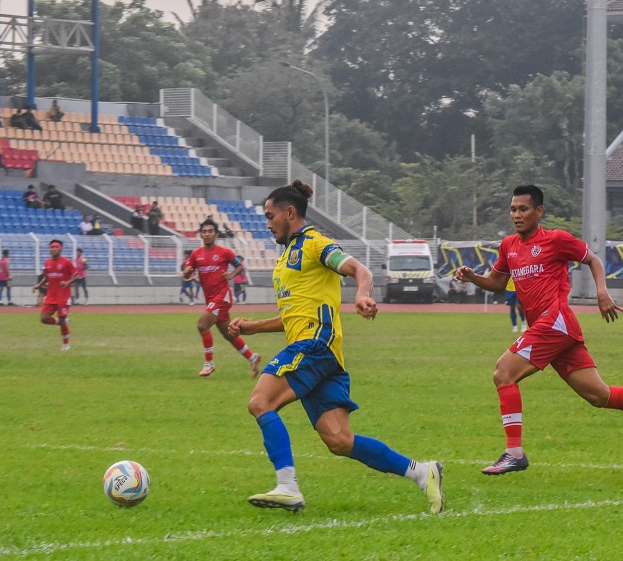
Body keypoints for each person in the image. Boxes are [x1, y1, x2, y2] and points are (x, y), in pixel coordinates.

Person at [227, 180, 444, 514]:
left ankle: (287, 486)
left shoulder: (316, 244)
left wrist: (361, 294)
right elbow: (294, 314)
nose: (267, 223)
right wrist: (253, 326)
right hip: (321, 354)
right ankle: (422, 472)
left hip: (315, 345)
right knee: (340, 441)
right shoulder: (286, 257)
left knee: (260, 402)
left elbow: (359, 269)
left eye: (270, 216)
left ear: (289, 212)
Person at [453, 184, 623, 476]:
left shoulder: (556, 240)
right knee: (599, 395)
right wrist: (473, 278)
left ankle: (514, 453)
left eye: (523, 209)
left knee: (503, 372)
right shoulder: (509, 246)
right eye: (513, 209)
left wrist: (602, 291)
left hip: (554, 321)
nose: (516, 215)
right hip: (556, 329)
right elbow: (496, 282)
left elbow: (593, 259)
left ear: (538, 212)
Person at [182, 218, 261, 377]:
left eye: (210, 231)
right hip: (211, 299)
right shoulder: (196, 255)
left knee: (202, 325)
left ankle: (209, 363)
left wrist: (231, 274)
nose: (207, 234)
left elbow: (239, 265)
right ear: (201, 235)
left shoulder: (224, 252)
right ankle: (253, 357)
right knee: (228, 334)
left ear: (216, 234)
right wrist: (187, 273)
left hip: (222, 297)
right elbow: (186, 273)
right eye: (204, 232)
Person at [31, 239, 79, 351]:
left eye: (56, 247)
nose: (53, 249)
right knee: (44, 319)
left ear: (60, 249)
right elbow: (47, 277)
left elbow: (77, 276)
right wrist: (38, 285)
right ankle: (62, 321)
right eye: (51, 247)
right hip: (51, 295)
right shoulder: (47, 263)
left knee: (62, 320)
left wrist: (67, 283)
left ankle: (66, 344)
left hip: (63, 296)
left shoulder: (66, 262)